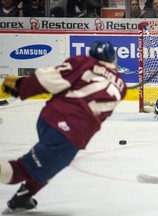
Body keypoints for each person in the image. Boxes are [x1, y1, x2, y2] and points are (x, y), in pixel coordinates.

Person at [0, 41, 127, 214]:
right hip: (69, 133)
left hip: (51, 119)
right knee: (19, 170)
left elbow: (49, 79)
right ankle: (24, 192)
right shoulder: (122, 86)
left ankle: (23, 197)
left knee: (53, 164)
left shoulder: (84, 62)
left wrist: (20, 86)